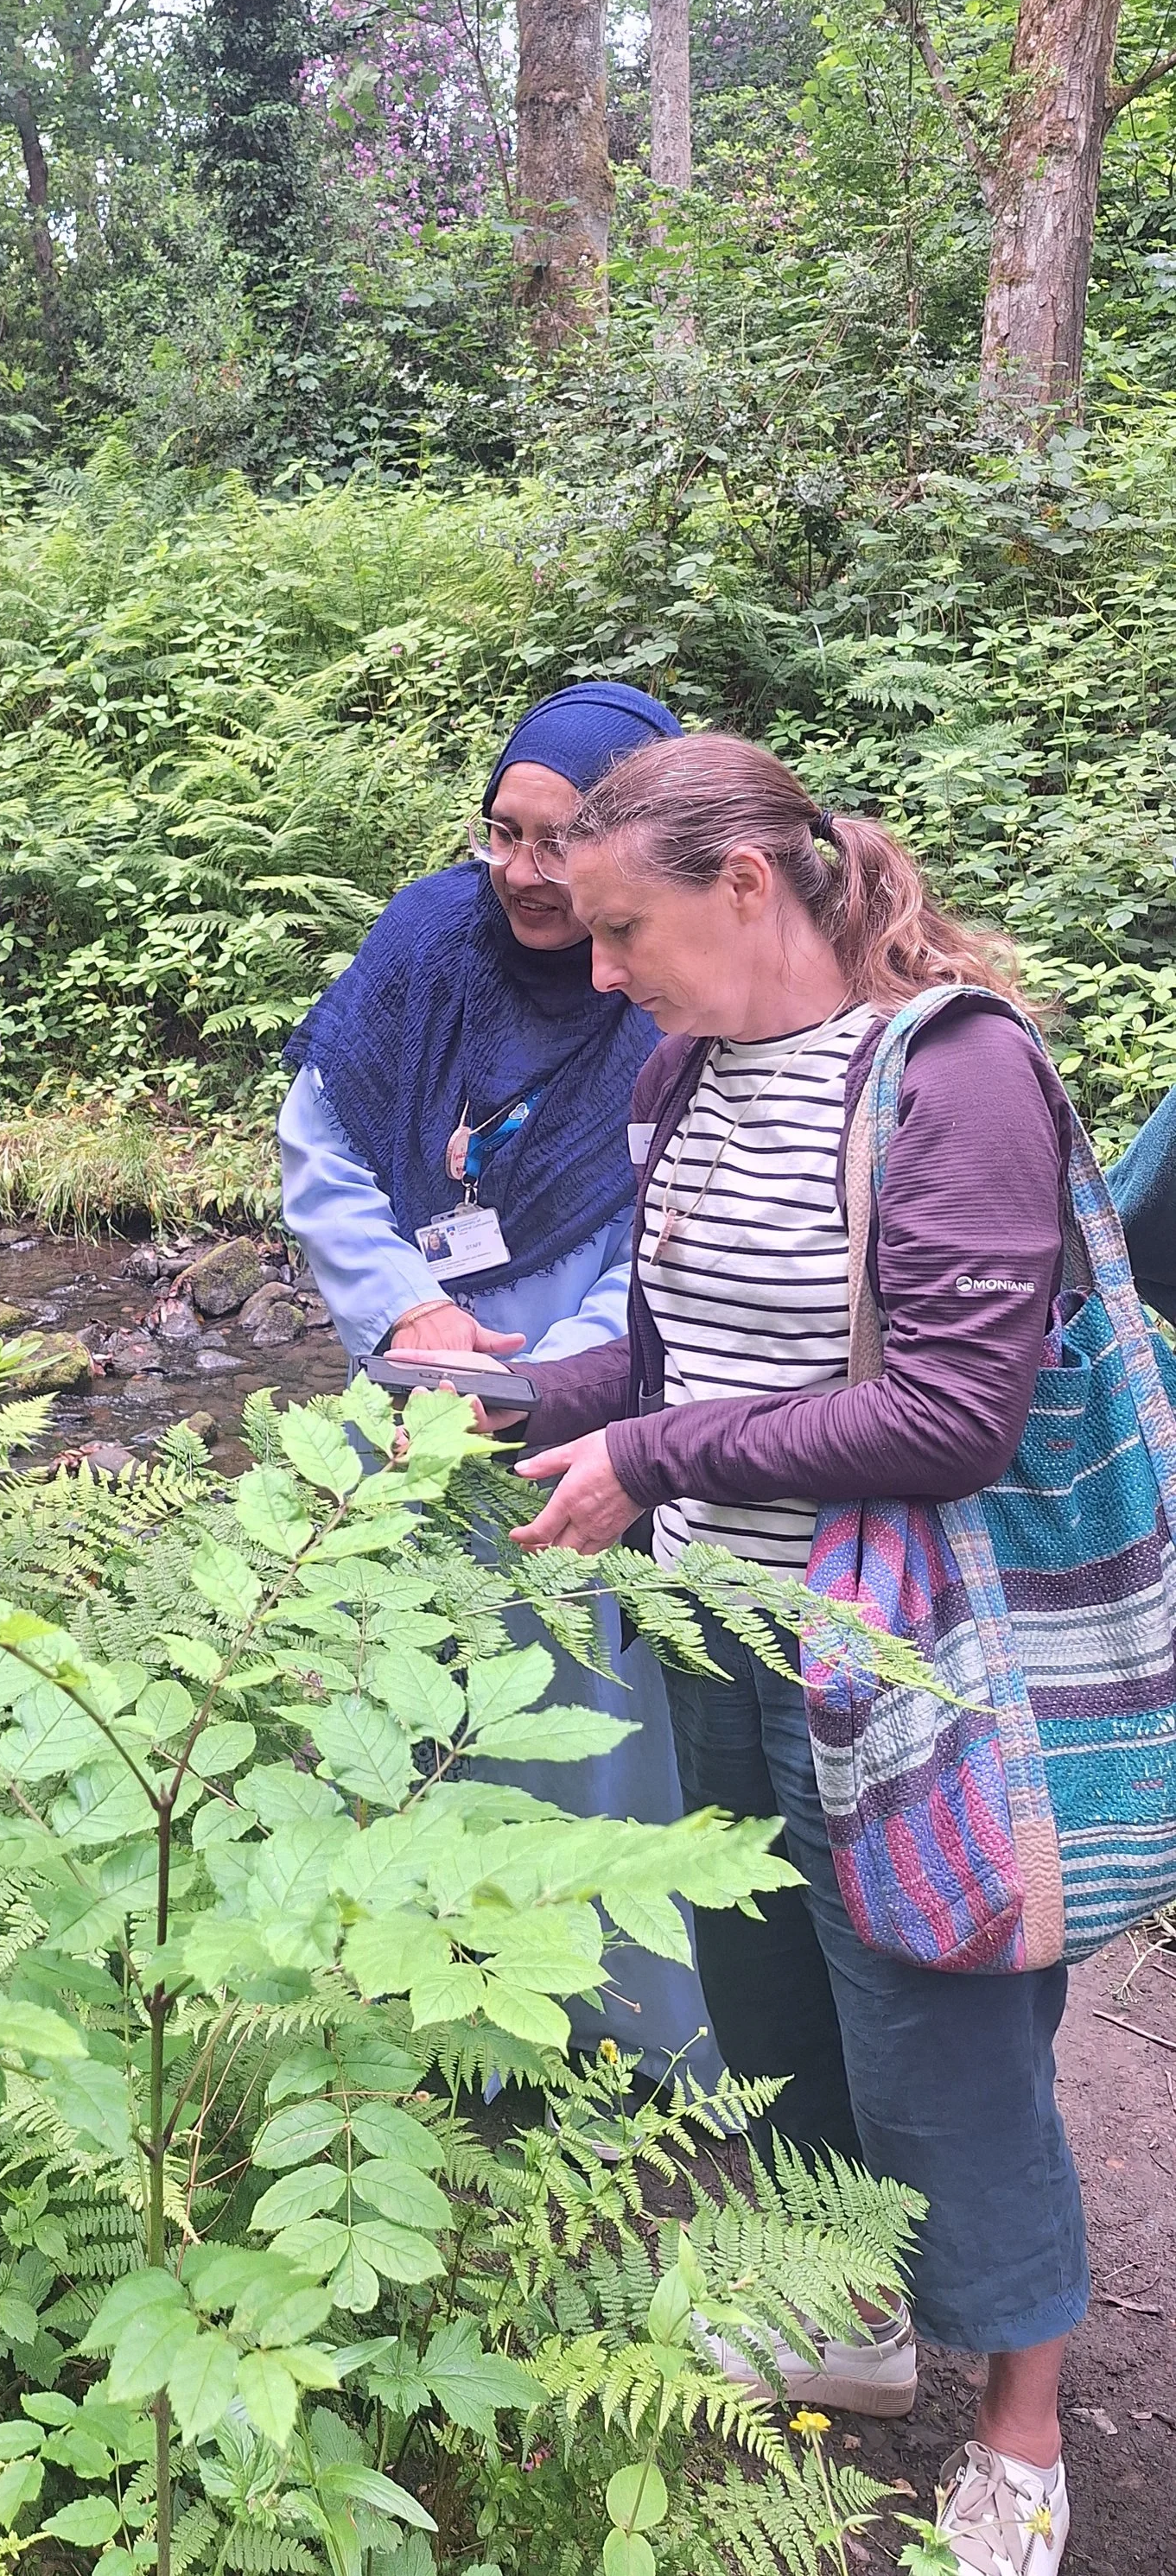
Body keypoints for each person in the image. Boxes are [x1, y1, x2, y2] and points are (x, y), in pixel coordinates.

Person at [511, 733, 1084, 2576]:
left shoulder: (954, 1078)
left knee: (938, 2026)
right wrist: (508, 1406)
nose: (598, 976)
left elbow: (947, 1415)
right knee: (768, 2004)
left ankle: (1021, 2424)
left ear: (743, 885)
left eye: (620, 932)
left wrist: (649, 1455)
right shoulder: (687, 1072)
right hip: (718, 1628)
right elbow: (683, 1355)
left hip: (892, 1660)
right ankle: (853, 2309)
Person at [280, 681, 712, 2086]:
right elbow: (326, 1145)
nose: (529, 874)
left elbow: (668, 1231)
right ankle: (426, 2023)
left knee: (584, 1716)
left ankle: (619, 2039)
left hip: (572, 1422)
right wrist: (413, 1313)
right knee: (404, 1688)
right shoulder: (424, 942)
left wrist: (538, 1380)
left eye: (563, 839)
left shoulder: (664, 980)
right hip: (405, 1401)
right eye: (504, 835)